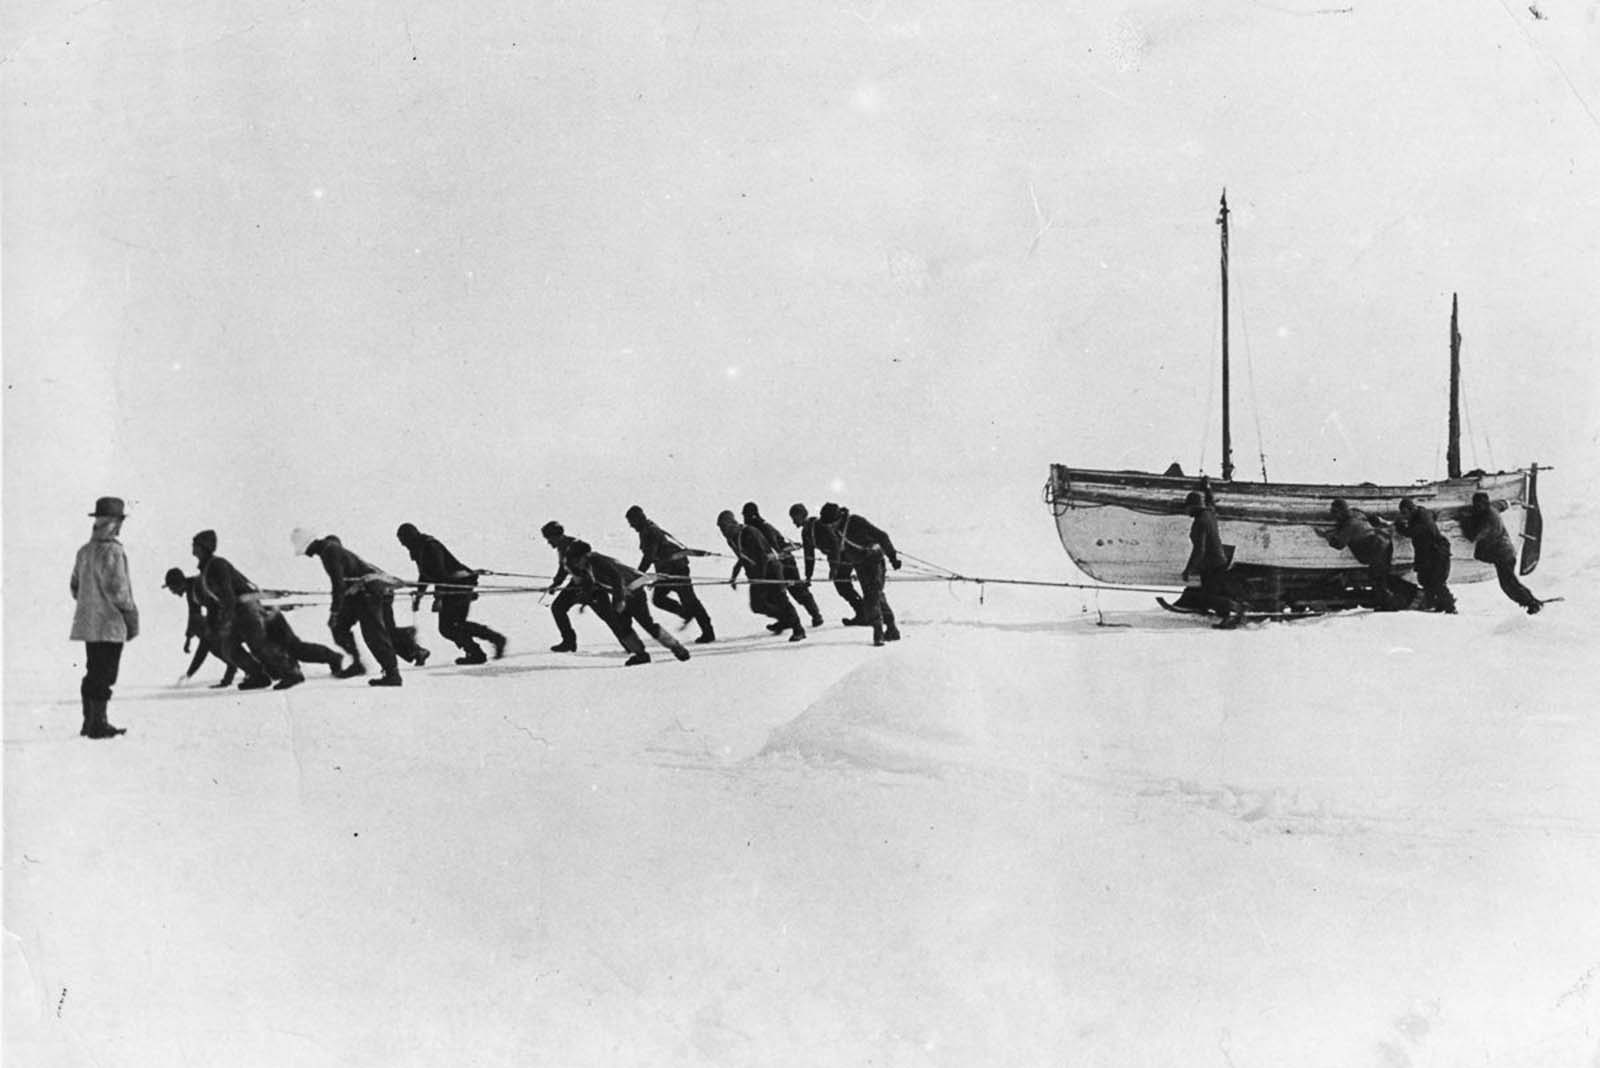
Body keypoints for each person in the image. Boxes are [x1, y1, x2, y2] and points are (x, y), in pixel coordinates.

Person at [293, 528, 429, 686]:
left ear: (309, 545)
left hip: (370, 592)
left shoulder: (329, 552)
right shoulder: (331, 548)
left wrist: (334, 612)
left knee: (374, 634)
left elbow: (338, 585)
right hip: (367, 592)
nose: (307, 554)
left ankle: (392, 674)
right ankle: (365, 662)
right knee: (343, 627)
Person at [193, 529, 301, 690]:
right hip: (237, 610)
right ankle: (258, 676)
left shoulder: (217, 565)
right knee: (229, 648)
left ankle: (291, 673)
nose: (192, 548)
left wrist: (226, 621)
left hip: (246, 609)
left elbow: (227, 594)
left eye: (195, 545)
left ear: (203, 547)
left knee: (257, 644)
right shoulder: (207, 568)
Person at [70, 496, 138, 738]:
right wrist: (130, 614)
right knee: (106, 674)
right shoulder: (113, 551)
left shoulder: (84, 552)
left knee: (93, 670)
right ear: (114, 523)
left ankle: (89, 722)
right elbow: (119, 590)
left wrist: (91, 603)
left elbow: (74, 587)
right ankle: (98, 724)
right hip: (110, 624)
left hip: (89, 624)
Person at [396, 523, 507, 665]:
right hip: (452, 586)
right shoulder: (419, 548)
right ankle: (480, 649)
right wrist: (419, 595)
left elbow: (440, 574)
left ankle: (487, 645)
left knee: (450, 626)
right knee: (450, 626)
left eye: (404, 541)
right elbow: (425, 575)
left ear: (411, 537)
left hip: (459, 584)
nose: (403, 545)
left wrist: (438, 599)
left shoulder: (430, 546)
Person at [572, 541, 692, 666]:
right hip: (624, 593)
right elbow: (593, 583)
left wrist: (620, 600)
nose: (576, 564)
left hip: (633, 592)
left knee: (646, 624)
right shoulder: (590, 564)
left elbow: (616, 578)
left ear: (584, 556)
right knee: (621, 625)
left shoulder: (597, 562)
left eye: (576, 560)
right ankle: (640, 654)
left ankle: (676, 648)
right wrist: (585, 601)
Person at [625, 505, 715, 644]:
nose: (631, 526)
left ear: (638, 519)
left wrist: (638, 575)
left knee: (690, 600)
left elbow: (649, 556)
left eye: (632, 522)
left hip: (677, 569)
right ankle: (686, 613)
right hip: (666, 571)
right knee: (659, 599)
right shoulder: (646, 530)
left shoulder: (651, 531)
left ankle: (708, 632)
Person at [817, 503, 902, 646]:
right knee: (876, 595)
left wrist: (892, 557)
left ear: (838, 519)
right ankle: (892, 629)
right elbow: (839, 551)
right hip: (859, 565)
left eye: (831, 524)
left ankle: (878, 632)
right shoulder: (836, 530)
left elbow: (882, 536)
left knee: (871, 596)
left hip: (874, 561)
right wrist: (836, 568)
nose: (830, 527)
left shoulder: (855, 521)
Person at [716, 510, 805, 641]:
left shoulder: (749, 532)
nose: (723, 531)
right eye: (721, 528)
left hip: (771, 570)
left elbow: (762, 556)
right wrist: (734, 576)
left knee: (781, 599)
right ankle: (784, 619)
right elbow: (743, 557)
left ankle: (799, 630)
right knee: (757, 605)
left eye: (724, 527)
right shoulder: (732, 539)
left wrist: (761, 579)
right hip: (756, 575)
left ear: (732, 523)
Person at [1458, 491, 1544, 613]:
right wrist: (1510, 502)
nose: (1476, 507)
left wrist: (1464, 520)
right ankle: (1530, 602)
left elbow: (1473, 536)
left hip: (1502, 555)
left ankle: (1531, 603)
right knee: (1509, 583)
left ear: (1484, 504)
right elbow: (1501, 504)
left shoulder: (1487, 520)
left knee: (1509, 585)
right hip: (1505, 553)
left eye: (1478, 505)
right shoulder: (1492, 508)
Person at [742, 501, 823, 628]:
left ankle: (816, 615)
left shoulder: (763, 528)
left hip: (784, 561)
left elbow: (775, 546)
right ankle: (786, 621)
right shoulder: (755, 529)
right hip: (774, 564)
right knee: (776, 595)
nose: (744, 519)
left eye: (746, 516)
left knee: (796, 590)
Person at [790, 502, 866, 624]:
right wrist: (808, 576)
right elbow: (809, 556)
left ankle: (863, 613)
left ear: (801, 515)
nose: (794, 522)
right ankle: (863, 612)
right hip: (837, 558)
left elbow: (835, 545)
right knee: (843, 586)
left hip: (844, 556)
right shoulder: (806, 532)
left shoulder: (819, 525)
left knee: (842, 585)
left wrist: (834, 568)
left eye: (794, 518)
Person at [1179, 488, 1244, 628]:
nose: (1186, 511)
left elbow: (1199, 550)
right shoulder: (1209, 514)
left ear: (1194, 507)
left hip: (1211, 563)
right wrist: (1207, 488)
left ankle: (1232, 615)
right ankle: (1196, 605)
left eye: (1188, 508)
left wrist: (1188, 570)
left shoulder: (1200, 522)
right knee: (1207, 589)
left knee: (1210, 595)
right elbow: (1211, 504)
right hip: (1218, 560)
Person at [164, 567, 238, 687]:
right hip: (222, 613)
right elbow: (193, 613)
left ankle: (232, 668)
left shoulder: (197, 587)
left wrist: (189, 674)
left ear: (179, 583)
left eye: (172, 589)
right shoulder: (191, 589)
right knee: (208, 636)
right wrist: (188, 638)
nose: (173, 592)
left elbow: (213, 609)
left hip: (229, 611)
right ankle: (234, 666)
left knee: (210, 640)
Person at [1323, 498, 1401, 610]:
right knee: (1381, 577)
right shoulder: (1356, 512)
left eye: (1335, 514)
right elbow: (1372, 518)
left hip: (1376, 547)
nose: (1335, 517)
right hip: (1384, 541)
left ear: (1341, 512)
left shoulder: (1350, 525)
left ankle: (1390, 605)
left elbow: (1338, 544)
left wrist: (1327, 535)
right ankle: (1387, 603)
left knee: (1378, 577)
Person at [1394, 497, 1457, 613]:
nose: (1404, 516)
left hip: (1437, 553)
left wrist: (1399, 526)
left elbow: (1411, 532)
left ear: (1411, 509)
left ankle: (1450, 606)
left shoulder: (1422, 517)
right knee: (1425, 580)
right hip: (1427, 553)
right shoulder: (1422, 514)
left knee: (1436, 581)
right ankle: (1439, 604)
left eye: (1405, 513)